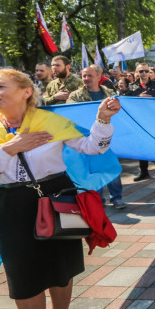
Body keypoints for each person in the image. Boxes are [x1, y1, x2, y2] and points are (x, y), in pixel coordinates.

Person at [0, 68, 120, 309]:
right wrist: (7, 149)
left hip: (57, 196)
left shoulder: (50, 121)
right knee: (23, 275)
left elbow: (92, 147)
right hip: (11, 205)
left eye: (0, 85)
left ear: (25, 91)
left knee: (62, 265)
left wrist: (103, 119)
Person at [68, 66, 125, 209]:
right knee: (93, 170)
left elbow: (121, 112)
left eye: (89, 75)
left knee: (111, 167)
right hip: (87, 137)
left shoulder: (110, 93)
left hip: (107, 136)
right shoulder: (75, 96)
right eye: (84, 76)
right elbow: (71, 113)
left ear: (99, 76)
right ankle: (98, 199)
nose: (86, 78)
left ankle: (117, 198)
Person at [129, 63, 155, 181]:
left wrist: (153, 98)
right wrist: (138, 97)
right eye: (141, 71)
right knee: (141, 146)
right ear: (137, 72)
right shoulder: (131, 86)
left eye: (146, 71)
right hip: (139, 121)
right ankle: (144, 172)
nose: (144, 73)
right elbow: (126, 100)